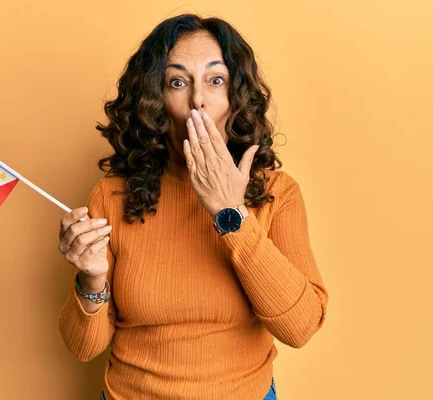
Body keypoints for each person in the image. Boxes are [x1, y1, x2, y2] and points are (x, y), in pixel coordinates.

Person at [57, 13, 328, 400]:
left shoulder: (277, 193)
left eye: (215, 80)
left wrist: (229, 214)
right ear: (156, 103)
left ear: (236, 97)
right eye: (178, 82)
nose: (198, 99)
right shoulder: (111, 197)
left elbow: (301, 328)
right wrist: (91, 281)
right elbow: (84, 347)